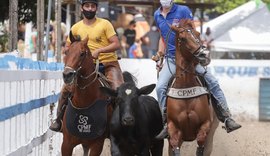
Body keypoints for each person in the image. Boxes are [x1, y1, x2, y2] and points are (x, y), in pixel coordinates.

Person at [152, 0, 241, 139]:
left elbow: (193, 32)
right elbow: (162, 38)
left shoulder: (183, 10)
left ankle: (227, 118)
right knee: (160, 87)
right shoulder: (157, 14)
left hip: (190, 59)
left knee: (212, 81)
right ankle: (166, 123)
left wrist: (199, 52)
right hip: (171, 60)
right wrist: (159, 53)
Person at [49, 0, 124, 132]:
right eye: (87, 6)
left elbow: (116, 44)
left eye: (93, 6)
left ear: (96, 8)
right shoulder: (76, 28)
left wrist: (99, 51)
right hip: (84, 67)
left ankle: (122, 125)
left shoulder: (105, 24)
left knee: (119, 90)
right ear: (82, 8)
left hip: (108, 63)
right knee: (66, 90)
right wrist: (68, 54)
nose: (90, 9)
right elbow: (68, 47)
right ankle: (59, 120)